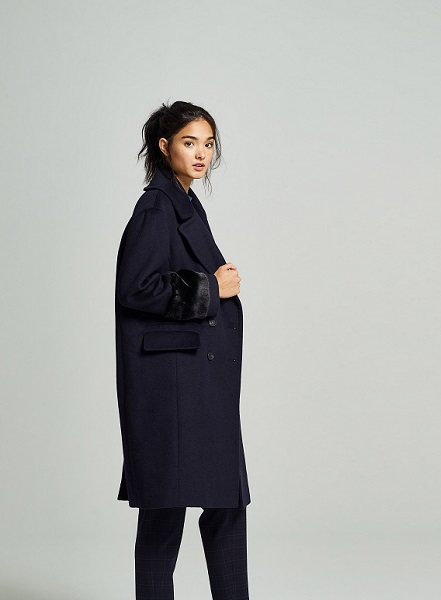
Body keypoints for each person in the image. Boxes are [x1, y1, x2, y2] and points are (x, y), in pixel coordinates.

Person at [114, 100, 251, 600]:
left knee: (224, 503)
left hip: (193, 381)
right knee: (165, 513)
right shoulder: (157, 207)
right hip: (173, 386)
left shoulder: (184, 203)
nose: (201, 154)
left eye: (208, 144)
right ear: (164, 145)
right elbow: (137, 288)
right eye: (189, 142)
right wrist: (213, 288)